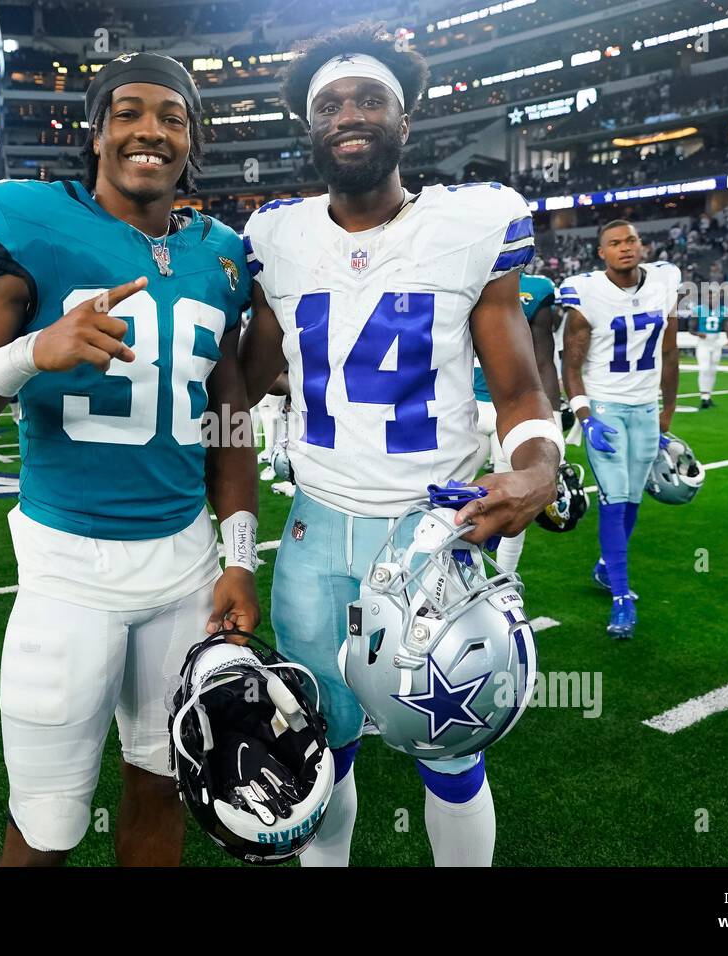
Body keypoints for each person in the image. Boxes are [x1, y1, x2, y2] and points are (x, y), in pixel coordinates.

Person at [0, 52, 260, 866]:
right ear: (96, 131)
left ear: (191, 140)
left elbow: (229, 420)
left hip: (185, 569)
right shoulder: (26, 219)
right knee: (49, 823)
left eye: (172, 117)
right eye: (129, 112)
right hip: (70, 572)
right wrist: (33, 351)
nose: (150, 131)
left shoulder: (222, 253)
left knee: (166, 783)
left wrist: (238, 559)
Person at [239, 24, 561, 867]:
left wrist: (538, 463)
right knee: (322, 739)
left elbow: (519, 386)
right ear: (311, 128)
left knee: (449, 749)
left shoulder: (471, 222)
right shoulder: (277, 235)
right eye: (332, 104)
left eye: (370, 98)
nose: (351, 113)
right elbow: (251, 375)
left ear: (405, 121)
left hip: (431, 535)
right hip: (314, 532)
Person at [560, 220, 681, 639]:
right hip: (607, 407)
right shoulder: (587, 293)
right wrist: (584, 416)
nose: (625, 248)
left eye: (630, 240)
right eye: (615, 243)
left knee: (632, 498)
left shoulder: (664, 281)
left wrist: (668, 411)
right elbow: (570, 363)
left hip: (646, 407)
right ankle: (622, 598)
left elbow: (669, 352)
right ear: (602, 253)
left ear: (641, 245)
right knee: (613, 497)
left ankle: (605, 568)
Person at [469, 271, 562, 571]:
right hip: (461, 405)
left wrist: (553, 419)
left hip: (510, 410)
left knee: (511, 500)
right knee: (445, 496)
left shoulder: (537, 289)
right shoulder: (458, 272)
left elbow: (544, 359)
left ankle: (504, 581)